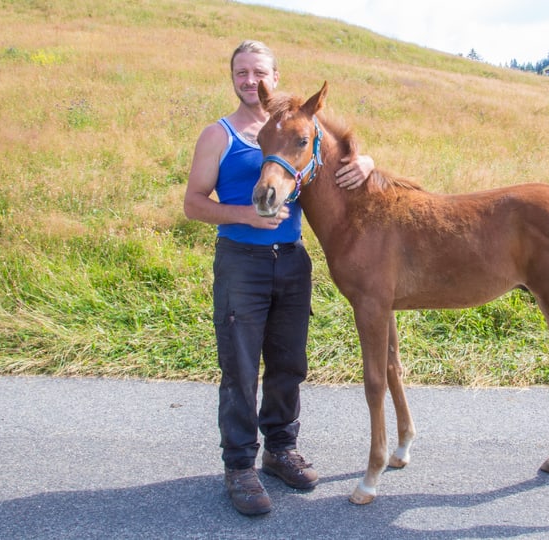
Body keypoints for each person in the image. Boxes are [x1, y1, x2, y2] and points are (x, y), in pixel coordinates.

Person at [184, 40, 374, 516]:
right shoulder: (219, 134)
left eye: (259, 72)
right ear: (233, 78)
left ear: (274, 75)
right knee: (241, 368)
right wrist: (246, 216)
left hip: (290, 259)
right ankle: (240, 466)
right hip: (241, 263)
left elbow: (330, 157)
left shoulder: (291, 126)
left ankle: (280, 449)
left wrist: (366, 162)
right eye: (242, 72)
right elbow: (193, 204)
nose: (251, 80)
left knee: (289, 364)